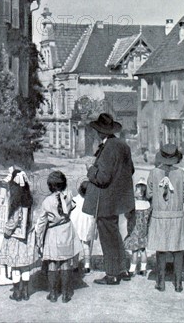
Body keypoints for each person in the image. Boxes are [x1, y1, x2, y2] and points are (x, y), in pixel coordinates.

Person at [82, 113, 135, 285]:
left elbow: (102, 178)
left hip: (104, 200)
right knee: (115, 234)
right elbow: (131, 170)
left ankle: (112, 274)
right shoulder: (123, 145)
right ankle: (122, 269)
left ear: (100, 131)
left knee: (107, 237)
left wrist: (90, 170)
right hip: (117, 199)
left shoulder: (108, 148)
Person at [147, 144, 184, 293]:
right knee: (178, 249)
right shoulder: (181, 173)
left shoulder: (153, 173)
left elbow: (149, 194)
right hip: (176, 215)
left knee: (161, 249)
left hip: (160, 215)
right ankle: (178, 283)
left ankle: (161, 282)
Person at [35, 170, 81, 303]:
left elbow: (42, 222)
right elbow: (72, 206)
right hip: (66, 230)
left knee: (52, 263)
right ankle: (66, 293)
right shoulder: (69, 195)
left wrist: (38, 237)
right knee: (66, 263)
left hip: (53, 234)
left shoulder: (47, 201)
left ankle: (53, 293)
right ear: (64, 184)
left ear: (50, 185)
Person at [0, 168, 36, 301]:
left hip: (14, 239)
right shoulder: (30, 201)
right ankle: (25, 291)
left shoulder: (15, 203)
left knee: (15, 266)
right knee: (24, 265)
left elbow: (13, 222)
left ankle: (16, 292)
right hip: (27, 238)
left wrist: (5, 230)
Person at [124, 177, 151, 276]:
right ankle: (143, 269)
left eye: (136, 190)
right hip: (143, 232)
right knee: (143, 250)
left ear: (140, 193)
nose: (134, 192)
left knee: (134, 251)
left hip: (134, 231)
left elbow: (127, 216)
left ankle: (132, 269)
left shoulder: (134, 205)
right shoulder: (148, 204)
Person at [70, 179, 96, 274]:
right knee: (86, 245)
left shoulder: (75, 199)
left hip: (76, 224)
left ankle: (75, 265)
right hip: (86, 224)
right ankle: (87, 265)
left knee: (76, 245)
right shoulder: (91, 201)